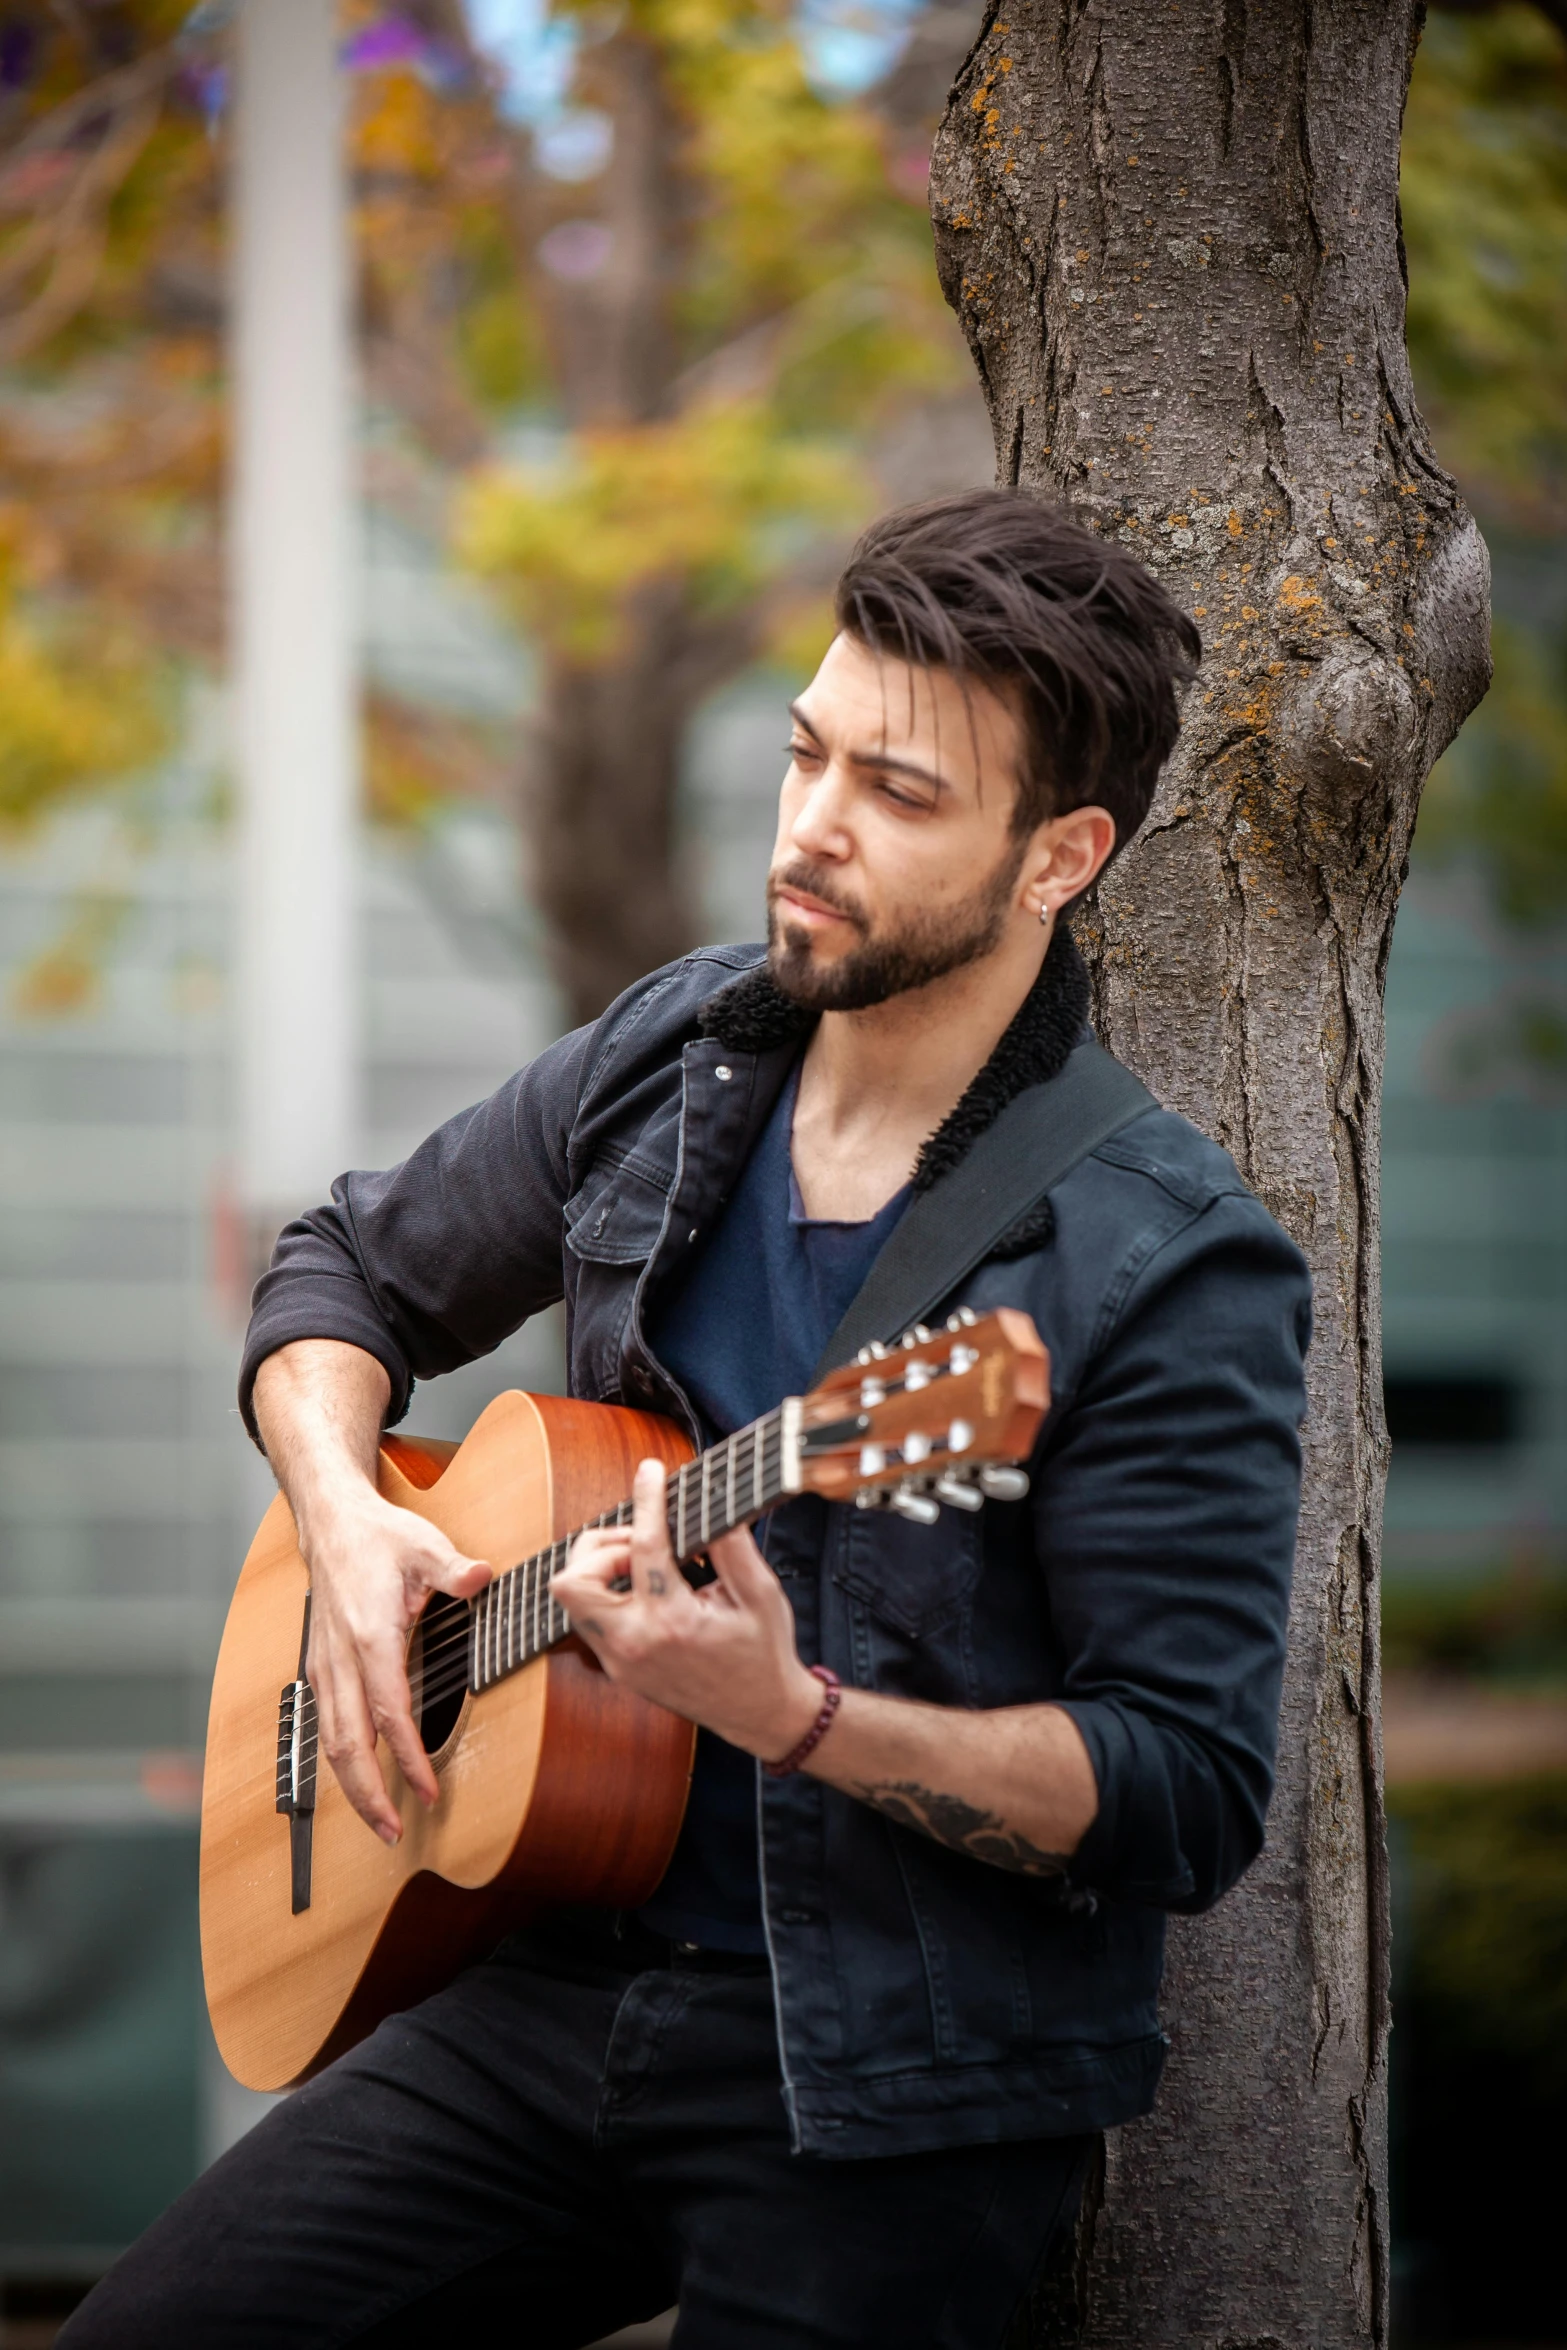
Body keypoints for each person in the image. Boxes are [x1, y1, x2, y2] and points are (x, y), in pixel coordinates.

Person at [63, 489, 1310, 2349]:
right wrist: (339, 1506)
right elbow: (346, 1269)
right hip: (550, 1979)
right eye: (809, 755)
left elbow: (1183, 1793)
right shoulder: (678, 1049)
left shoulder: (1159, 1262)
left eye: (899, 795)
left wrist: (792, 1715)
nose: (809, 828)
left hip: (888, 2084)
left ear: (1059, 858)